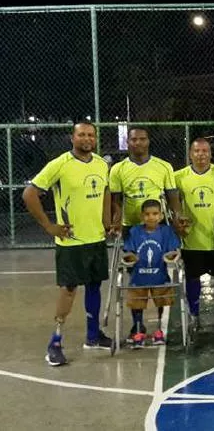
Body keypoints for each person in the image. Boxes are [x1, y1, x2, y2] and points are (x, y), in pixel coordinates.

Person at [23, 121, 114, 366]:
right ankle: (55, 342)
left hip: (96, 238)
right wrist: (49, 226)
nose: (87, 139)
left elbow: (105, 191)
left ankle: (93, 336)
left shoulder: (101, 164)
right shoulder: (59, 164)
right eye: (82, 134)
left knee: (94, 286)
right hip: (71, 242)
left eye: (91, 135)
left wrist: (107, 222)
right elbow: (29, 194)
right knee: (69, 290)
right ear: (72, 138)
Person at [174, 138, 214, 329]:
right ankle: (194, 315)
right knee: (192, 279)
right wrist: (178, 222)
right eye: (197, 151)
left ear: (210, 153)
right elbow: (173, 206)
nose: (201, 154)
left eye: (205, 151)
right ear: (190, 154)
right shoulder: (178, 177)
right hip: (191, 240)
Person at [122, 199, 181, 348]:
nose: (151, 217)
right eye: (147, 214)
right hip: (138, 277)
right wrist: (131, 258)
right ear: (142, 216)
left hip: (160, 277)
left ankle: (159, 330)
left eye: (155, 214)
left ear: (161, 216)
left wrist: (171, 256)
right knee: (136, 303)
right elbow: (128, 253)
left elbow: (174, 252)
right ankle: (138, 331)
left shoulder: (166, 231)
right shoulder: (135, 231)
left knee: (161, 301)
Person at [109, 127, 180, 238]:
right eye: (134, 139)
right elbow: (116, 201)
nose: (138, 142)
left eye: (142, 139)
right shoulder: (117, 169)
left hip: (158, 223)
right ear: (127, 142)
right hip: (131, 224)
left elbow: (173, 197)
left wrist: (177, 217)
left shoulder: (164, 166)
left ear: (148, 141)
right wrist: (116, 221)